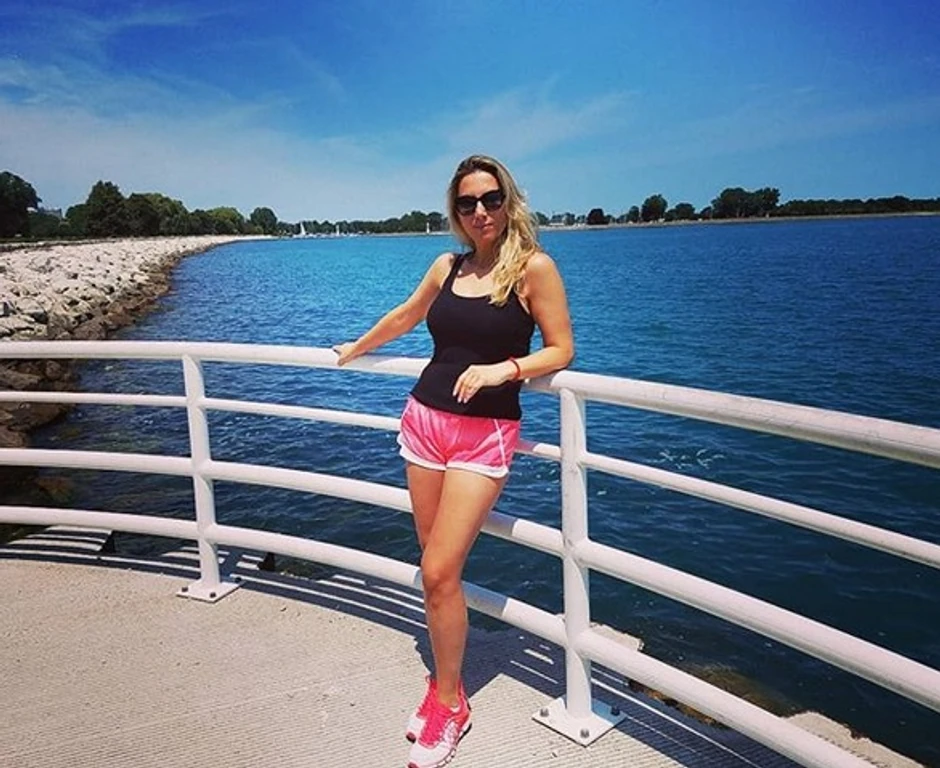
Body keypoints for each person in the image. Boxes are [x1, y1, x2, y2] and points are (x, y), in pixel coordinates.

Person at [333, 154, 574, 768]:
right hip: (424, 422)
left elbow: (561, 349)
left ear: (508, 200)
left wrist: (504, 369)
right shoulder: (448, 265)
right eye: (467, 203)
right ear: (456, 211)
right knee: (433, 566)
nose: (480, 212)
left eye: (490, 199)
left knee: (440, 570)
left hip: (485, 433)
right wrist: (357, 347)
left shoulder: (533, 268)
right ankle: (447, 683)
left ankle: (449, 704)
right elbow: (407, 315)